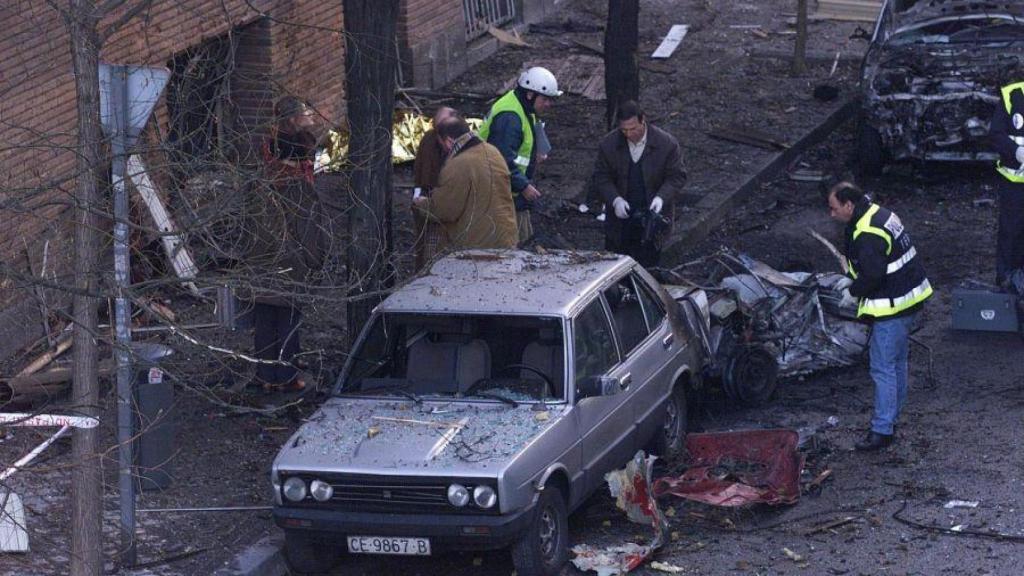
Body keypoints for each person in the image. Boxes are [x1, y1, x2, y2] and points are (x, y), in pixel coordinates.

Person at [827, 181, 933, 451]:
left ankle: (882, 431)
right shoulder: (879, 213)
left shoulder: (868, 233)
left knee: (883, 367)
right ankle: (890, 420)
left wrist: (853, 290)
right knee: (897, 363)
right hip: (910, 298)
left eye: (834, 208)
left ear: (849, 205)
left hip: (892, 307)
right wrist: (852, 278)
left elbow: (873, 274)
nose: (832, 214)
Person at [250, 96, 325, 392]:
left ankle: (265, 376)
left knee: (265, 320)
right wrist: (314, 261)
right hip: (290, 263)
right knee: (288, 320)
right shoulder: (299, 194)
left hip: (260, 262)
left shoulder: (259, 190)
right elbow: (309, 233)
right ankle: (288, 376)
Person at [592, 100, 687, 267]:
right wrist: (615, 200)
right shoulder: (609, 145)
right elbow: (601, 177)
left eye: (633, 129)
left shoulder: (666, 144)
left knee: (649, 268)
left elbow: (676, 177)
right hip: (620, 224)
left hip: (652, 223)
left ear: (643, 121)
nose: (629, 134)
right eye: (624, 130)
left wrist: (661, 198)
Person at [477, 66, 561, 245]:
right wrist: (524, 186)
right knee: (511, 246)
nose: (548, 105)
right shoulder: (510, 117)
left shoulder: (522, 107)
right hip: (501, 196)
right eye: (545, 99)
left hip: (509, 193)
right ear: (530, 94)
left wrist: (534, 153)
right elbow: (500, 159)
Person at [413, 117, 517, 251]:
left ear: (450, 141)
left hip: (478, 247)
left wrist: (421, 203)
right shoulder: (493, 151)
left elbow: (445, 210)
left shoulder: (458, 165)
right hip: (506, 240)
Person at [989, 81, 1024, 294]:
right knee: (1010, 233)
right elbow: (995, 135)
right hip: (1013, 183)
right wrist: (1015, 151)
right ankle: (1006, 281)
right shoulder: (1012, 94)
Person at [412, 106, 456, 269]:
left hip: (451, 209)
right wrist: (417, 197)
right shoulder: (428, 141)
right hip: (430, 205)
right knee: (427, 252)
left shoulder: (463, 145)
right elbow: (419, 173)